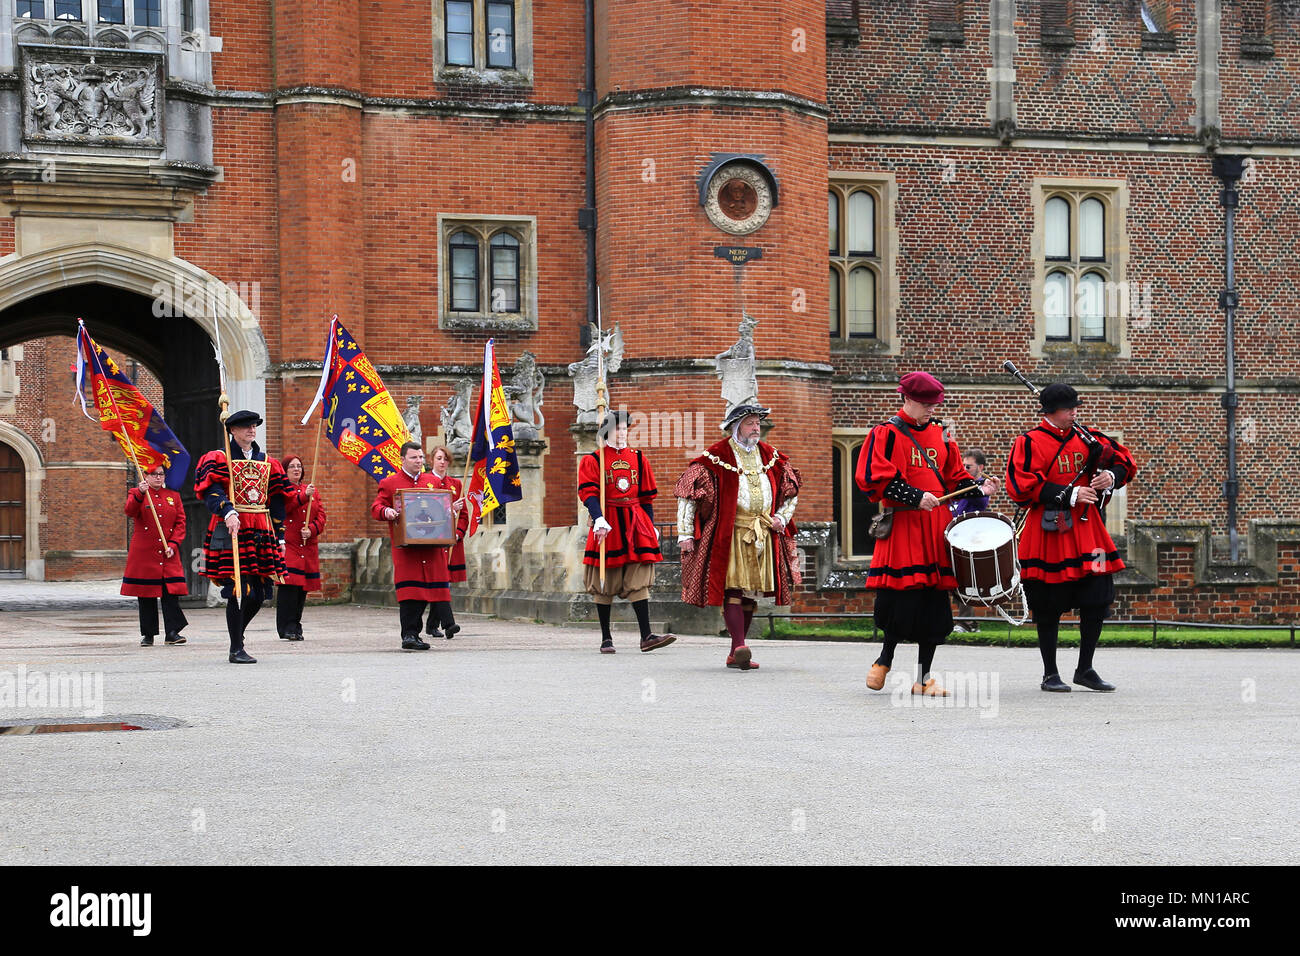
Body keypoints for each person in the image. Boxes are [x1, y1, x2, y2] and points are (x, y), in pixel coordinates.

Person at [856, 372, 998, 696]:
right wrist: (914, 496)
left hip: (936, 528)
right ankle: (884, 659)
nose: (931, 409)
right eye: (925, 404)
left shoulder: (943, 436)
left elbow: (956, 479)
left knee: (935, 603)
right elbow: (872, 477)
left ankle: (924, 678)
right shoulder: (886, 434)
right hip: (905, 526)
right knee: (901, 598)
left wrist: (979, 488)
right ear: (905, 398)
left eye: (934, 404)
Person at [1005, 383, 1136, 693]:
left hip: (1088, 530)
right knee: (1048, 604)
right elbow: (1021, 486)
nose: (1074, 412)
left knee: (1097, 597)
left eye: (1075, 407)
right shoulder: (1028, 442)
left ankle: (1085, 668)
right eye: (1068, 409)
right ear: (1051, 413)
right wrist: (1072, 493)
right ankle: (1050, 673)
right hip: (1050, 529)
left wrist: (1110, 477)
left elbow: (1124, 461)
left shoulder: (1088, 436)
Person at [676, 403, 801, 670]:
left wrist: (781, 518)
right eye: (750, 423)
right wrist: (685, 533)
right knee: (732, 589)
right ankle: (739, 646)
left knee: (749, 594)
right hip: (729, 533)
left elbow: (791, 491)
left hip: (763, 534)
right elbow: (689, 496)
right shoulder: (716, 456)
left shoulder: (770, 455)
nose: (756, 428)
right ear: (735, 426)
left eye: (757, 423)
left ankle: (736, 652)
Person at [195, 409, 289, 664]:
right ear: (232, 430)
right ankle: (236, 647)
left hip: (261, 527)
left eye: (254, 426)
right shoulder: (220, 458)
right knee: (239, 587)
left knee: (259, 593)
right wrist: (227, 510)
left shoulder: (268, 461)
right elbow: (211, 490)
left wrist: (280, 536)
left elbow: (278, 500)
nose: (251, 430)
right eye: (246, 426)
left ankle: (238, 636)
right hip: (232, 525)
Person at [579, 410, 676, 654]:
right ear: (607, 431)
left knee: (639, 575)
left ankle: (646, 636)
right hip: (608, 519)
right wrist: (598, 517)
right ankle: (606, 638)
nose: (622, 433)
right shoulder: (594, 460)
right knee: (605, 580)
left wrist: (650, 524)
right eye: (617, 429)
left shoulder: (639, 458)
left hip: (635, 520)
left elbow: (645, 497)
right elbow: (588, 493)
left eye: (624, 429)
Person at [371, 442, 452, 651]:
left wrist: (450, 512)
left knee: (427, 591)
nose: (419, 461)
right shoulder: (390, 483)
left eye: (421, 458)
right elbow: (376, 507)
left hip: (431, 544)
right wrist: (387, 512)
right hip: (407, 548)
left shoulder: (433, 481)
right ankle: (409, 634)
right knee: (410, 591)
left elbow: (443, 506)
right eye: (414, 458)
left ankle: (417, 632)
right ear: (403, 459)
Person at [121, 464, 189, 647]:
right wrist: (140, 494)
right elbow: (130, 511)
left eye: (161, 474)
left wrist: (174, 544)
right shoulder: (137, 492)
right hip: (145, 553)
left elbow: (180, 523)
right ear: (146, 476)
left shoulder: (173, 496)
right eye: (154, 474)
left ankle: (173, 631)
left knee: (170, 592)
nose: (158, 477)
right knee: (146, 594)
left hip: (167, 552)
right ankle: (148, 634)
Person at [277, 454, 326, 642]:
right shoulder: (281, 490)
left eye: (299, 466)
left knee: (302, 589)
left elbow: (321, 515)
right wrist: (303, 497)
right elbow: (285, 508)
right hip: (288, 544)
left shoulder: (311, 490)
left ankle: (296, 624)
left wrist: (312, 529)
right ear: (285, 471)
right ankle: (286, 626)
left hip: (307, 545)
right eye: (292, 467)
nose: (297, 469)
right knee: (289, 586)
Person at [424, 444, 469, 640]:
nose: (442, 462)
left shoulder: (455, 484)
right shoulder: (425, 482)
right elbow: (426, 512)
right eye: (439, 458)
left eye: (445, 459)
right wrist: (450, 507)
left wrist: (458, 534)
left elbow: (464, 514)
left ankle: (433, 624)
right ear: (432, 460)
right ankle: (446, 623)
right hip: (432, 541)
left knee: (443, 583)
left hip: (451, 542)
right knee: (439, 583)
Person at [949, 447, 992, 633]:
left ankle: (966, 623)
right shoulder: (958, 484)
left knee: (963, 581)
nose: (965, 469)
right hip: (951, 536)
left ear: (980, 467)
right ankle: (967, 623)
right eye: (963, 466)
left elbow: (981, 503)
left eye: (969, 466)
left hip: (968, 540)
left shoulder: (981, 486)